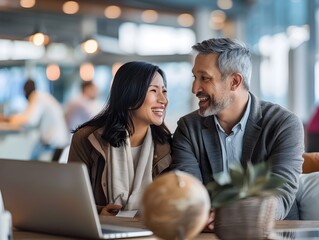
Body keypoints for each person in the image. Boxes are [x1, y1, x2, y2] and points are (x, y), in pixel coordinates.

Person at [169, 38, 304, 224]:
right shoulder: (188, 129)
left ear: (234, 81)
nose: (195, 88)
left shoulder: (283, 124)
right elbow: (188, 191)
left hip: (273, 231)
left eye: (205, 78)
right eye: (195, 77)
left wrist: (234, 217)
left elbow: (280, 195)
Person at [68, 61, 172, 216]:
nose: (163, 100)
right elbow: (71, 199)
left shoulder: (168, 146)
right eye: (153, 91)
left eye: (164, 91)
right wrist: (99, 212)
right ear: (130, 96)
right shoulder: (86, 139)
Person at [0, 79, 69, 160]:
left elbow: (29, 120)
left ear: (25, 91)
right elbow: (27, 116)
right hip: (57, 142)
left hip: (53, 144)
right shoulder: (42, 96)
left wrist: (7, 120)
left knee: (32, 162)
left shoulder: (37, 96)